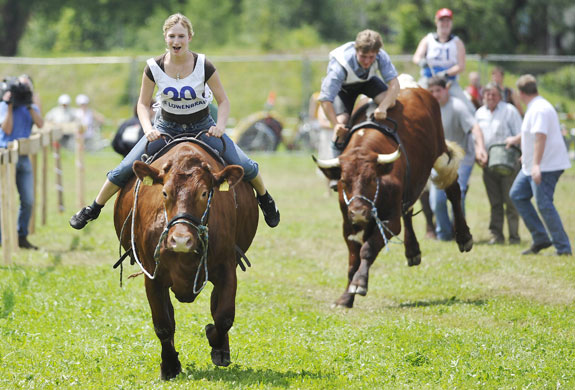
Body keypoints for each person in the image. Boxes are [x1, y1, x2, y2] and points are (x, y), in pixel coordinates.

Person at [69, 13, 280, 230]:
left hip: (202, 127)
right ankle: (93, 208)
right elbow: (142, 104)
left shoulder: (204, 64)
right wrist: (148, 128)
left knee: (246, 165)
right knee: (122, 169)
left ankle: (266, 200)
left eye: (181, 36)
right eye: (172, 36)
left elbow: (223, 100)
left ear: (190, 37)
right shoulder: (153, 67)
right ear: (165, 38)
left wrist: (220, 127)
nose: (176, 41)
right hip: (166, 128)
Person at [507, 75, 572, 256]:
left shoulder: (540, 109)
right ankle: (541, 238)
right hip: (533, 164)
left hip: (545, 166)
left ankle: (563, 248)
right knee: (518, 195)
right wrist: (517, 142)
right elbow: (530, 132)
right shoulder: (535, 106)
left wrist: (536, 164)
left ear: (520, 93)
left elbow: (540, 136)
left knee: (544, 204)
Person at [318, 29, 400, 160]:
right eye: (363, 56)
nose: (367, 61)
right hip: (344, 89)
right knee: (342, 124)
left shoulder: (381, 56)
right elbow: (325, 99)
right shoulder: (339, 66)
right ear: (356, 51)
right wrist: (335, 125)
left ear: (377, 54)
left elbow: (395, 84)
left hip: (368, 81)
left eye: (371, 57)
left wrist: (382, 107)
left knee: (391, 102)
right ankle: (336, 167)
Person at [427, 76, 486, 241]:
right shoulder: (429, 109)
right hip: (439, 160)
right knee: (437, 200)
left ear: (446, 89)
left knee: (457, 197)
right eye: (431, 91)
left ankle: (460, 231)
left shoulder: (457, 106)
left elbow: (475, 128)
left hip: (461, 159)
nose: (435, 94)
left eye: (438, 90)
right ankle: (444, 235)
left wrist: (480, 148)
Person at [474, 82, 522, 245]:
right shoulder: (480, 113)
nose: (490, 97)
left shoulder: (510, 111)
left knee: (510, 201)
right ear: (483, 96)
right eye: (487, 94)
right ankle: (496, 235)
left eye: (494, 94)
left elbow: (521, 133)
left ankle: (514, 236)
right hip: (488, 163)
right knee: (495, 202)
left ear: (500, 96)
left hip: (508, 161)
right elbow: (475, 137)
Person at [0, 74, 44, 249]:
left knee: (28, 200)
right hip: (5, 157)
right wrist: (10, 106)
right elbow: (8, 129)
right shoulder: (4, 106)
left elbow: (40, 124)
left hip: (23, 157)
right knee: (4, 200)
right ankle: (3, 238)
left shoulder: (31, 107)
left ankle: (21, 235)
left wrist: (29, 105)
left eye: (26, 88)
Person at [412, 8, 476, 114]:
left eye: (448, 20)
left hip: (448, 82)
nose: (445, 23)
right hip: (428, 80)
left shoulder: (457, 42)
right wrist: (421, 62)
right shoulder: (428, 39)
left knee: (468, 108)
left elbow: (461, 66)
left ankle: (474, 128)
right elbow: (416, 57)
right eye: (442, 20)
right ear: (436, 21)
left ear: (451, 23)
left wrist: (446, 73)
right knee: (413, 100)